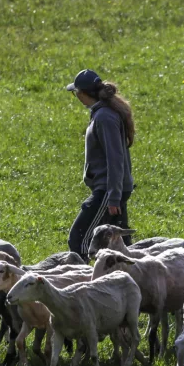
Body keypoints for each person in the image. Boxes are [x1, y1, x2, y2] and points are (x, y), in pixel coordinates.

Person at [64, 69, 135, 257]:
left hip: (107, 190)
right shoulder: (103, 113)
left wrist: (113, 197)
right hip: (112, 189)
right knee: (120, 244)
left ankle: (80, 273)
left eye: (75, 93)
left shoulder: (104, 117)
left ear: (82, 93)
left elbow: (115, 159)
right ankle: (132, 273)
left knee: (80, 238)